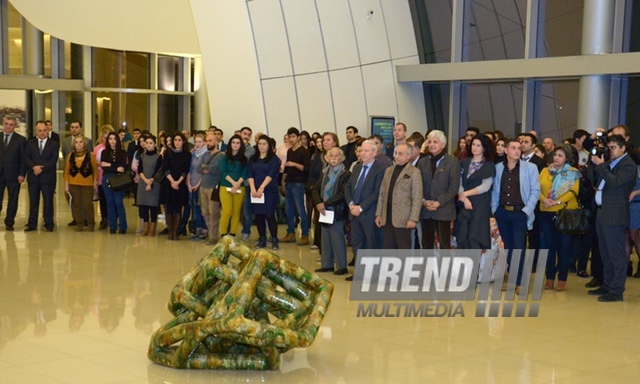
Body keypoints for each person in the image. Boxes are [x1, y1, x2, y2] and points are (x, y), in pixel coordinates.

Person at [588, 134, 636, 302]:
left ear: (623, 147)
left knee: (616, 254)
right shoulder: (609, 163)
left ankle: (616, 290)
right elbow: (594, 179)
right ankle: (607, 285)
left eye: (614, 147)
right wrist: (594, 163)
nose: (611, 151)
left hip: (615, 215)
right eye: (609, 148)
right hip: (602, 213)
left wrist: (601, 166)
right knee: (605, 253)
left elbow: (615, 182)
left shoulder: (629, 166)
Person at [491, 139, 540, 293]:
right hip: (502, 212)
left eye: (519, 148)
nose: (517, 151)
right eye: (513, 148)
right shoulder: (498, 168)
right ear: (506, 150)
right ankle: (512, 280)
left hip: (520, 212)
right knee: (509, 248)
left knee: (519, 247)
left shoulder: (530, 168)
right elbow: (494, 191)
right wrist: (495, 209)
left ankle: (520, 282)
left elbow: (535, 191)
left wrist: (527, 210)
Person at [344, 140, 389, 280]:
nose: (362, 153)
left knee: (371, 243)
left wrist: (361, 207)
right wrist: (351, 204)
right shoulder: (357, 167)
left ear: (375, 153)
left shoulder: (380, 169)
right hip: (354, 212)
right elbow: (348, 187)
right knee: (357, 242)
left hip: (369, 213)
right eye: (361, 150)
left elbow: (377, 192)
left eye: (366, 151)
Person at [538, 145, 580, 291]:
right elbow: (536, 188)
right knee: (548, 247)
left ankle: (562, 279)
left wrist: (557, 201)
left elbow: (574, 191)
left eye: (560, 155)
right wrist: (544, 199)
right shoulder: (544, 171)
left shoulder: (572, 173)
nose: (556, 158)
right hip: (546, 212)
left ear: (567, 158)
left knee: (564, 247)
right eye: (555, 155)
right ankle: (549, 278)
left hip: (564, 213)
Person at [417, 130, 460, 249]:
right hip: (426, 210)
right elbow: (418, 185)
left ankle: (444, 268)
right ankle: (428, 267)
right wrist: (424, 201)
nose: (432, 144)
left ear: (443, 144)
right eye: (430, 142)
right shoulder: (422, 162)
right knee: (426, 244)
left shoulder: (452, 161)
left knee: (444, 244)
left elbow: (454, 187)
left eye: (435, 142)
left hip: (444, 209)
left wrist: (438, 202)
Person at [375, 143, 423, 249]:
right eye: (396, 153)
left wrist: (413, 218)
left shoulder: (414, 172)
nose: (396, 156)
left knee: (403, 250)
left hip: (404, 219)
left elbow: (417, 197)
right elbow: (382, 194)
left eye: (400, 154)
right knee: (389, 249)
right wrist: (379, 214)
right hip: (387, 217)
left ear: (409, 156)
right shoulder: (389, 170)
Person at [312, 147, 351, 275]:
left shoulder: (345, 174)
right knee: (326, 238)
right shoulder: (324, 172)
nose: (334, 158)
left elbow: (342, 193)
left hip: (337, 210)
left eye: (337, 156)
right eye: (331, 156)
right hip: (324, 211)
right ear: (327, 158)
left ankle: (341, 266)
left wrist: (326, 203)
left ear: (342, 158)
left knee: (337, 238)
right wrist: (319, 203)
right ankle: (327, 265)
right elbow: (315, 189)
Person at [457, 135, 496, 249]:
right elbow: (458, 183)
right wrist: (464, 198)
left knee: (475, 235)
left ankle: (476, 265)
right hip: (465, 202)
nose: (475, 147)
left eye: (478, 145)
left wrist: (465, 194)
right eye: (473, 144)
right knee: (464, 233)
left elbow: (486, 186)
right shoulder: (464, 162)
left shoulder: (488, 164)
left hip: (480, 203)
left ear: (484, 148)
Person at [25, 121, 60, 232]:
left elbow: (53, 160)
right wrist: (33, 167)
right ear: (36, 131)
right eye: (39, 131)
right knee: (33, 201)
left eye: (44, 130)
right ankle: (32, 223)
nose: (42, 133)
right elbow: (26, 157)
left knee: (48, 201)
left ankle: (49, 223)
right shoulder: (29, 143)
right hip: (33, 177)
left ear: (48, 130)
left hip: (47, 177)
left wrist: (41, 168)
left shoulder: (53, 144)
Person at [248, 135, 281, 249]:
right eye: (260, 144)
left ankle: (274, 239)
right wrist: (253, 188)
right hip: (255, 190)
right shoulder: (253, 158)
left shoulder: (274, 159)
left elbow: (271, 174)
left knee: (269, 214)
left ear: (269, 146)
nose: (261, 146)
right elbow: (250, 174)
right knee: (259, 215)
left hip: (269, 190)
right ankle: (262, 239)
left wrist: (261, 188)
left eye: (264, 144)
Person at [280, 127, 311, 245]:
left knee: (301, 209)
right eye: (289, 137)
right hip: (289, 182)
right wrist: (283, 180)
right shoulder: (289, 151)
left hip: (299, 183)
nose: (291, 139)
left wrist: (294, 164)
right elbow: (287, 168)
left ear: (298, 137)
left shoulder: (304, 151)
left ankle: (305, 234)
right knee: (289, 210)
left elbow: (307, 168)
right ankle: (290, 233)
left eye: (293, 136)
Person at [64, 136, 98, 232]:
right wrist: (66, 185)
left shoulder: (90, 155)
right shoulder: (70, 156)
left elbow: (95, 170)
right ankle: (79, 223)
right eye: (76, 142)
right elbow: (67, 171)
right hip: (73, 184)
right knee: (76, 204)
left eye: (81, 142)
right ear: (74, 144)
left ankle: (91, 223)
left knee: (88, 204)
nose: (79, 144)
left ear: (84, 144)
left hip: (88, 184)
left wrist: (95, 182)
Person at [161, 132, 191, 240]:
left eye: (179, 140)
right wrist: (172, 181)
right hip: (169, 183)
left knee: (178, 208)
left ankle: (176, 231)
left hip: (181, 183)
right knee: (169, 207)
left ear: (183, 141)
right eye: (175, 140)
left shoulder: (187, 154)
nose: (177, 142)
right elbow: (165, 168)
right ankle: (170, 231)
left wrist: (178, 182)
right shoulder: (167, 152)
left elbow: (185, 169)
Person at [0, 115, 27, 231]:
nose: (8, 127)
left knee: (13, 199)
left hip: (14, 175)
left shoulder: (21, 140)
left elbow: (23, 159)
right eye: (6, 124)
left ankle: (9, 222)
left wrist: (22, 174)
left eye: (11, 125)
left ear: (15, 126)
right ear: (3, 124)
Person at [219, 134, 248, 238]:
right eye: (233, 142)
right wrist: (233, 183)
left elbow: (244, 173)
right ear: (230, 144)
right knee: (226, 212)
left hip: (240, 188)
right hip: (225, 186)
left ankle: (233, 234)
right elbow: (222, 171)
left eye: (238, 143)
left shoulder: (244, 159)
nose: (235, 145)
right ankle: (223, 234)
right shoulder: (224, 157)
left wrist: (237, 184)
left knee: (236, 212)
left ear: (241, 145)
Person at [198, 132, 223, 245]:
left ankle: (214, 237)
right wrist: (206, 168)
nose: (208, 143)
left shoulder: (221, 156)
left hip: (213, 188)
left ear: (217, 142)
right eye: (207, 141)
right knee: (205, 212)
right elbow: (199, 168)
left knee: (214, 213)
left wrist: (206, 167)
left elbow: (215, 168)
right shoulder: (205, 155)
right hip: (203, 187)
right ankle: (210, 234)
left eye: (210, 140)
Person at [100, 132, 128, 234]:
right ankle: (112, 226)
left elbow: (122, 167)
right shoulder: (104, 152)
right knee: (110, 202)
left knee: (118, 202)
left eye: (114, 139)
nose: (112, 141)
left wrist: (110, 165)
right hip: (107, 178)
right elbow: (103, 165)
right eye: (110, 139)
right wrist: (115, 167)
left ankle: (123, 226)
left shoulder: (123, 153)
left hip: (119, 180)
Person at [137, 134, 163, 236]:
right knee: (143, 206)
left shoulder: (158, 157)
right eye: (147, 143)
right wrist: (145, 180)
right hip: (143, 182)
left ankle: (152, 229)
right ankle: (145, 228)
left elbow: (158, 170)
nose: (148, 145)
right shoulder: (142, 156)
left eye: (150, 143)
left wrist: (150, 181)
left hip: (154, 183)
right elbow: (140, 170)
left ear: (155, 144)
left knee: (152, 207)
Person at [187, 132, 208, 240]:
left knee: (202, 209)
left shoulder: (207, 154)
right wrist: (189, 183)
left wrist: (198, 185)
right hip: (192, 184)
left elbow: (204, 172)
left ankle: (204, 231)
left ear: (204, 142)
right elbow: (189, 170)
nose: (198, 144)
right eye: (196, 142)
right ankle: (197, 230)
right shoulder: (193, 154)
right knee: (195, 209)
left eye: (200, 142)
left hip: (202, 185)